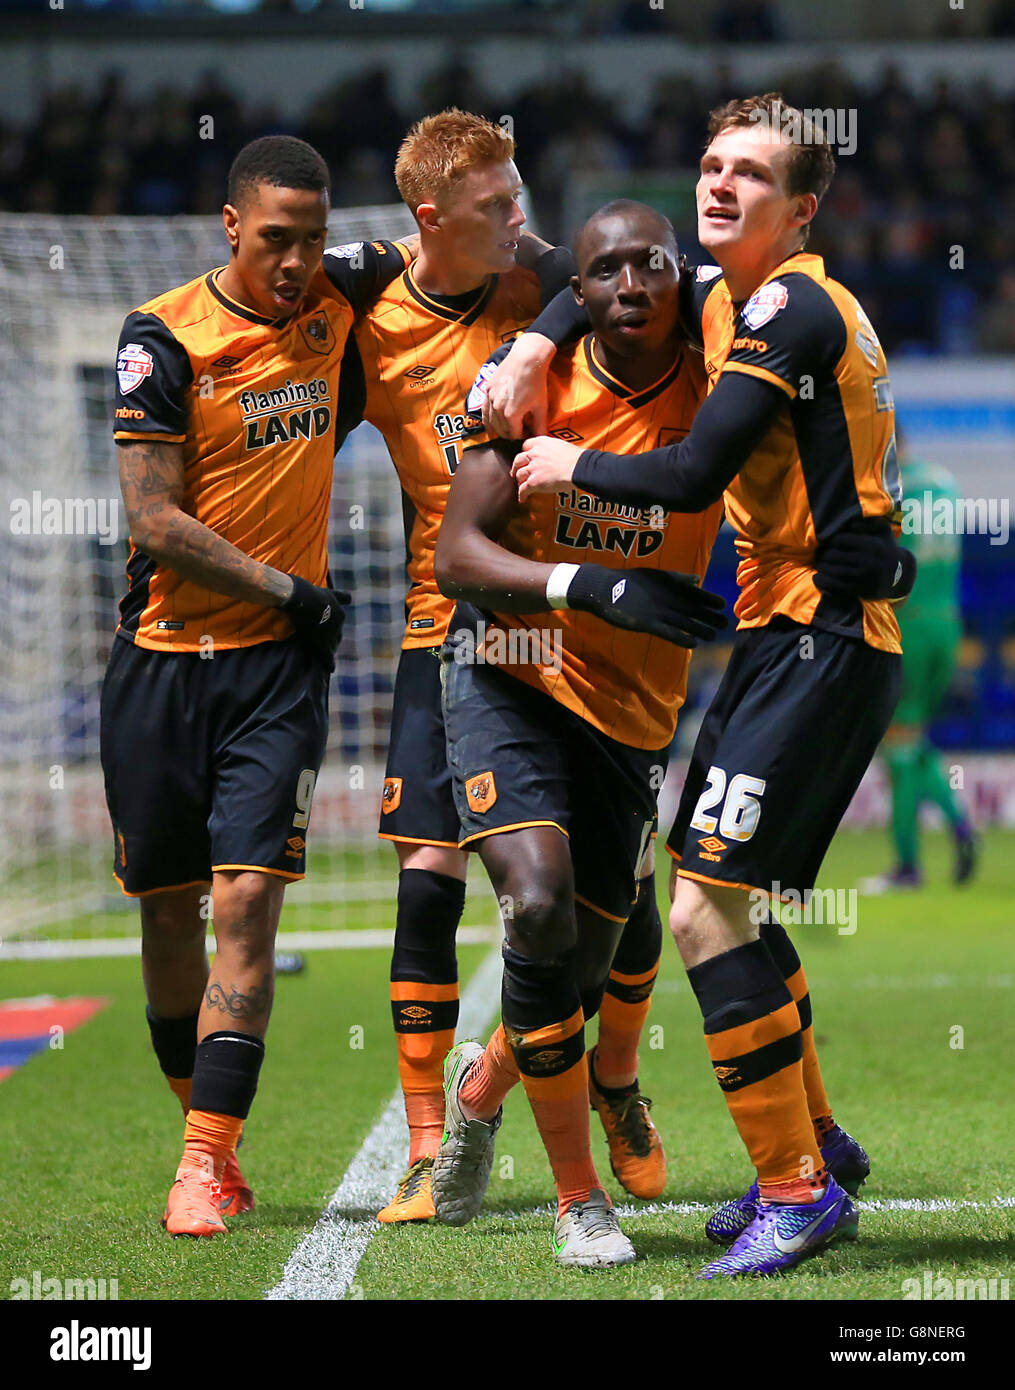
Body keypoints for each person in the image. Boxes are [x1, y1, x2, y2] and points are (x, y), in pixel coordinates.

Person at [477, 93, 915, 1277]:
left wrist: (572, 463)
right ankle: (815, 1146)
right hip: (795, 632)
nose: (717, 186)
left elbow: (696, 470)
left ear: (803, 210)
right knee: (730, 896)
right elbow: (585, 264)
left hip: (818, 631)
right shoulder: (729, 297)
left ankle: (794, 1189)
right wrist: (533, 335)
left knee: (702, 909)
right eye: (711, 167)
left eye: (750, 177)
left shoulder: (788, 304)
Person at [346, 111, 673, 1223]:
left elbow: (612, 273)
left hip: (586, 644)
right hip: (456, 634)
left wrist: (541, 333)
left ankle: (603, 1080)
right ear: (429, 215)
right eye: (495, 204)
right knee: (432, 884)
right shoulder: (363, 319)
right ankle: (431, 1146)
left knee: (617, 915)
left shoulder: (544, 286)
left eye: (519, 194)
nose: (518, 219)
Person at [103, 134, 413, 1237]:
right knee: (169, 920)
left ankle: (201, 1160)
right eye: (276, 239)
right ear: (231, 227)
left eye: (313, 239)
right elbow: (153, 521)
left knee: (244, 903)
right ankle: (210, 1139)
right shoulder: (162, 338)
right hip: (160, 664)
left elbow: (451, 255)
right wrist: (290, 588)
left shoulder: (337, 301)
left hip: (276, 675)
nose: (296, 261)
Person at [432, 198, 728, 1267]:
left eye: (653, 266)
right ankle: (575, 1200)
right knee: (539, 905)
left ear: (678, 277)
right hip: (508, 671)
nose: (631, 286)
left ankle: (484, 1082)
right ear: (584, 292)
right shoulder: (524, 388)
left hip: (635, 714)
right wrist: (589, 583)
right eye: (605, 273)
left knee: (587, 968)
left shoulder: (715, 379)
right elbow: (455, 557)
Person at [861, 429, 977, 892]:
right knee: (910, 741)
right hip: (947, 624)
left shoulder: (888, 491)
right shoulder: (946, 483)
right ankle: (961, 827)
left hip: (906, 623)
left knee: (897, 748)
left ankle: (909, 866)